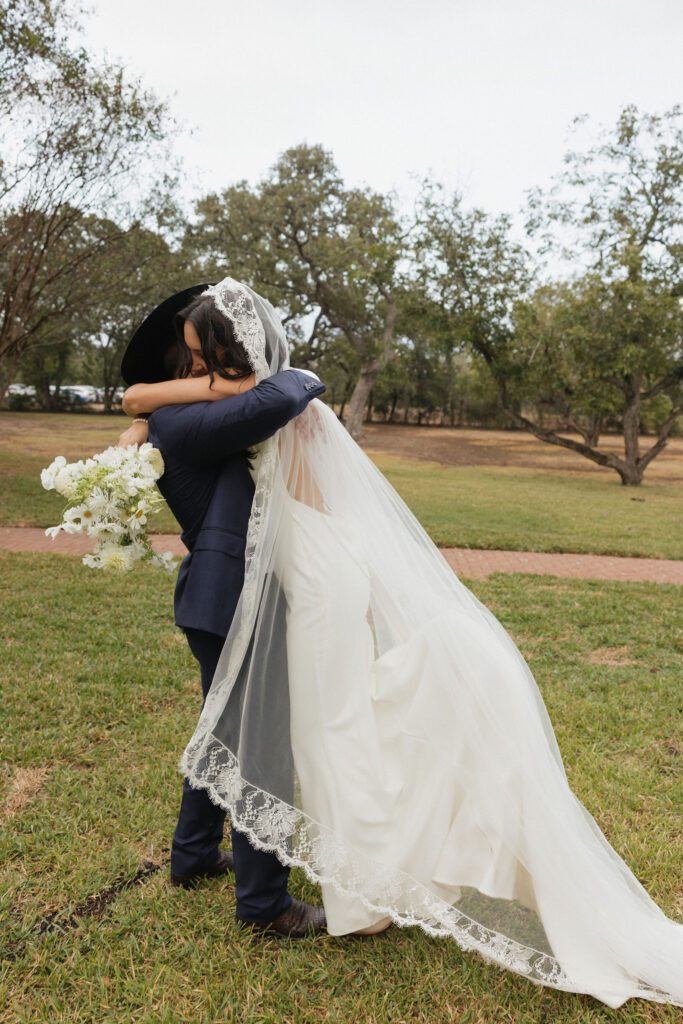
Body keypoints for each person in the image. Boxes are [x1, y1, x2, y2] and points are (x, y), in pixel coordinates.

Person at [121, 277, 683, 1006]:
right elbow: (219, 409)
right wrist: (177, 399)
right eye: (188, 359)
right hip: (296, 579)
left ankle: (299, 895)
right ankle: (205, 860)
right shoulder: (243, 409)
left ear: (231, 356)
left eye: (202, 359)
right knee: (253, 725)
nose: (190, 370)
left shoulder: (263, 408)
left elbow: (263, 418)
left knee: (307, 731)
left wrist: (173, 398)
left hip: (305, 583)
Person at [118, 282, 327, 938]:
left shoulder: (180, 414)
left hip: (226, 596)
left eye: (211, 356)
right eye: (194, 361)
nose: (204, 368)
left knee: (222, 729)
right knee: (258, 744)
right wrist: (295, 373)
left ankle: (192, 855)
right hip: (228, 598)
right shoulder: (183, 420)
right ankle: (265, 904)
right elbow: (281, 393)